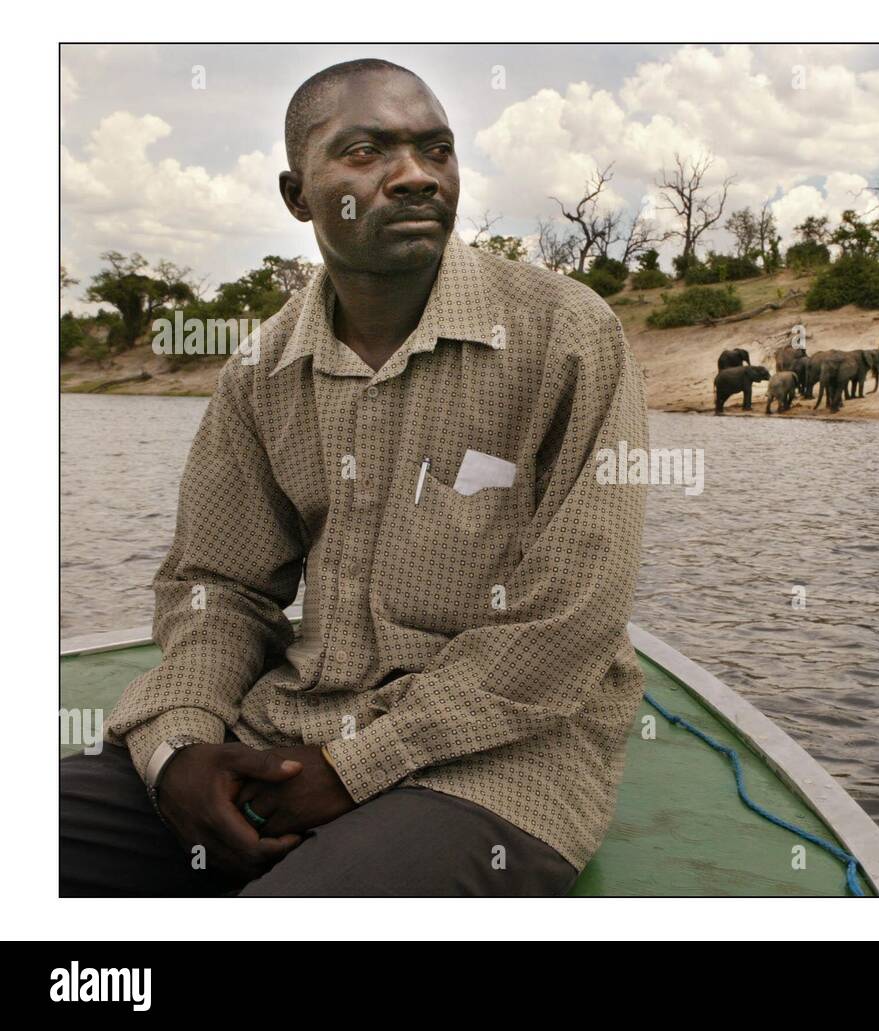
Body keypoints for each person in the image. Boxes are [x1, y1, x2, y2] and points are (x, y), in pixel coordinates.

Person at [60, 58, 648, 896]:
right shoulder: (263, 371)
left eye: (435, 151)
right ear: (298, 194)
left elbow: (568, 621)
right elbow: (217, 589)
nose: (414, 176)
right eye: (366, 152)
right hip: (291, 729)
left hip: (499, 762)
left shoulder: (566, 337)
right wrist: (178, 748)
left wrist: (354, 766)